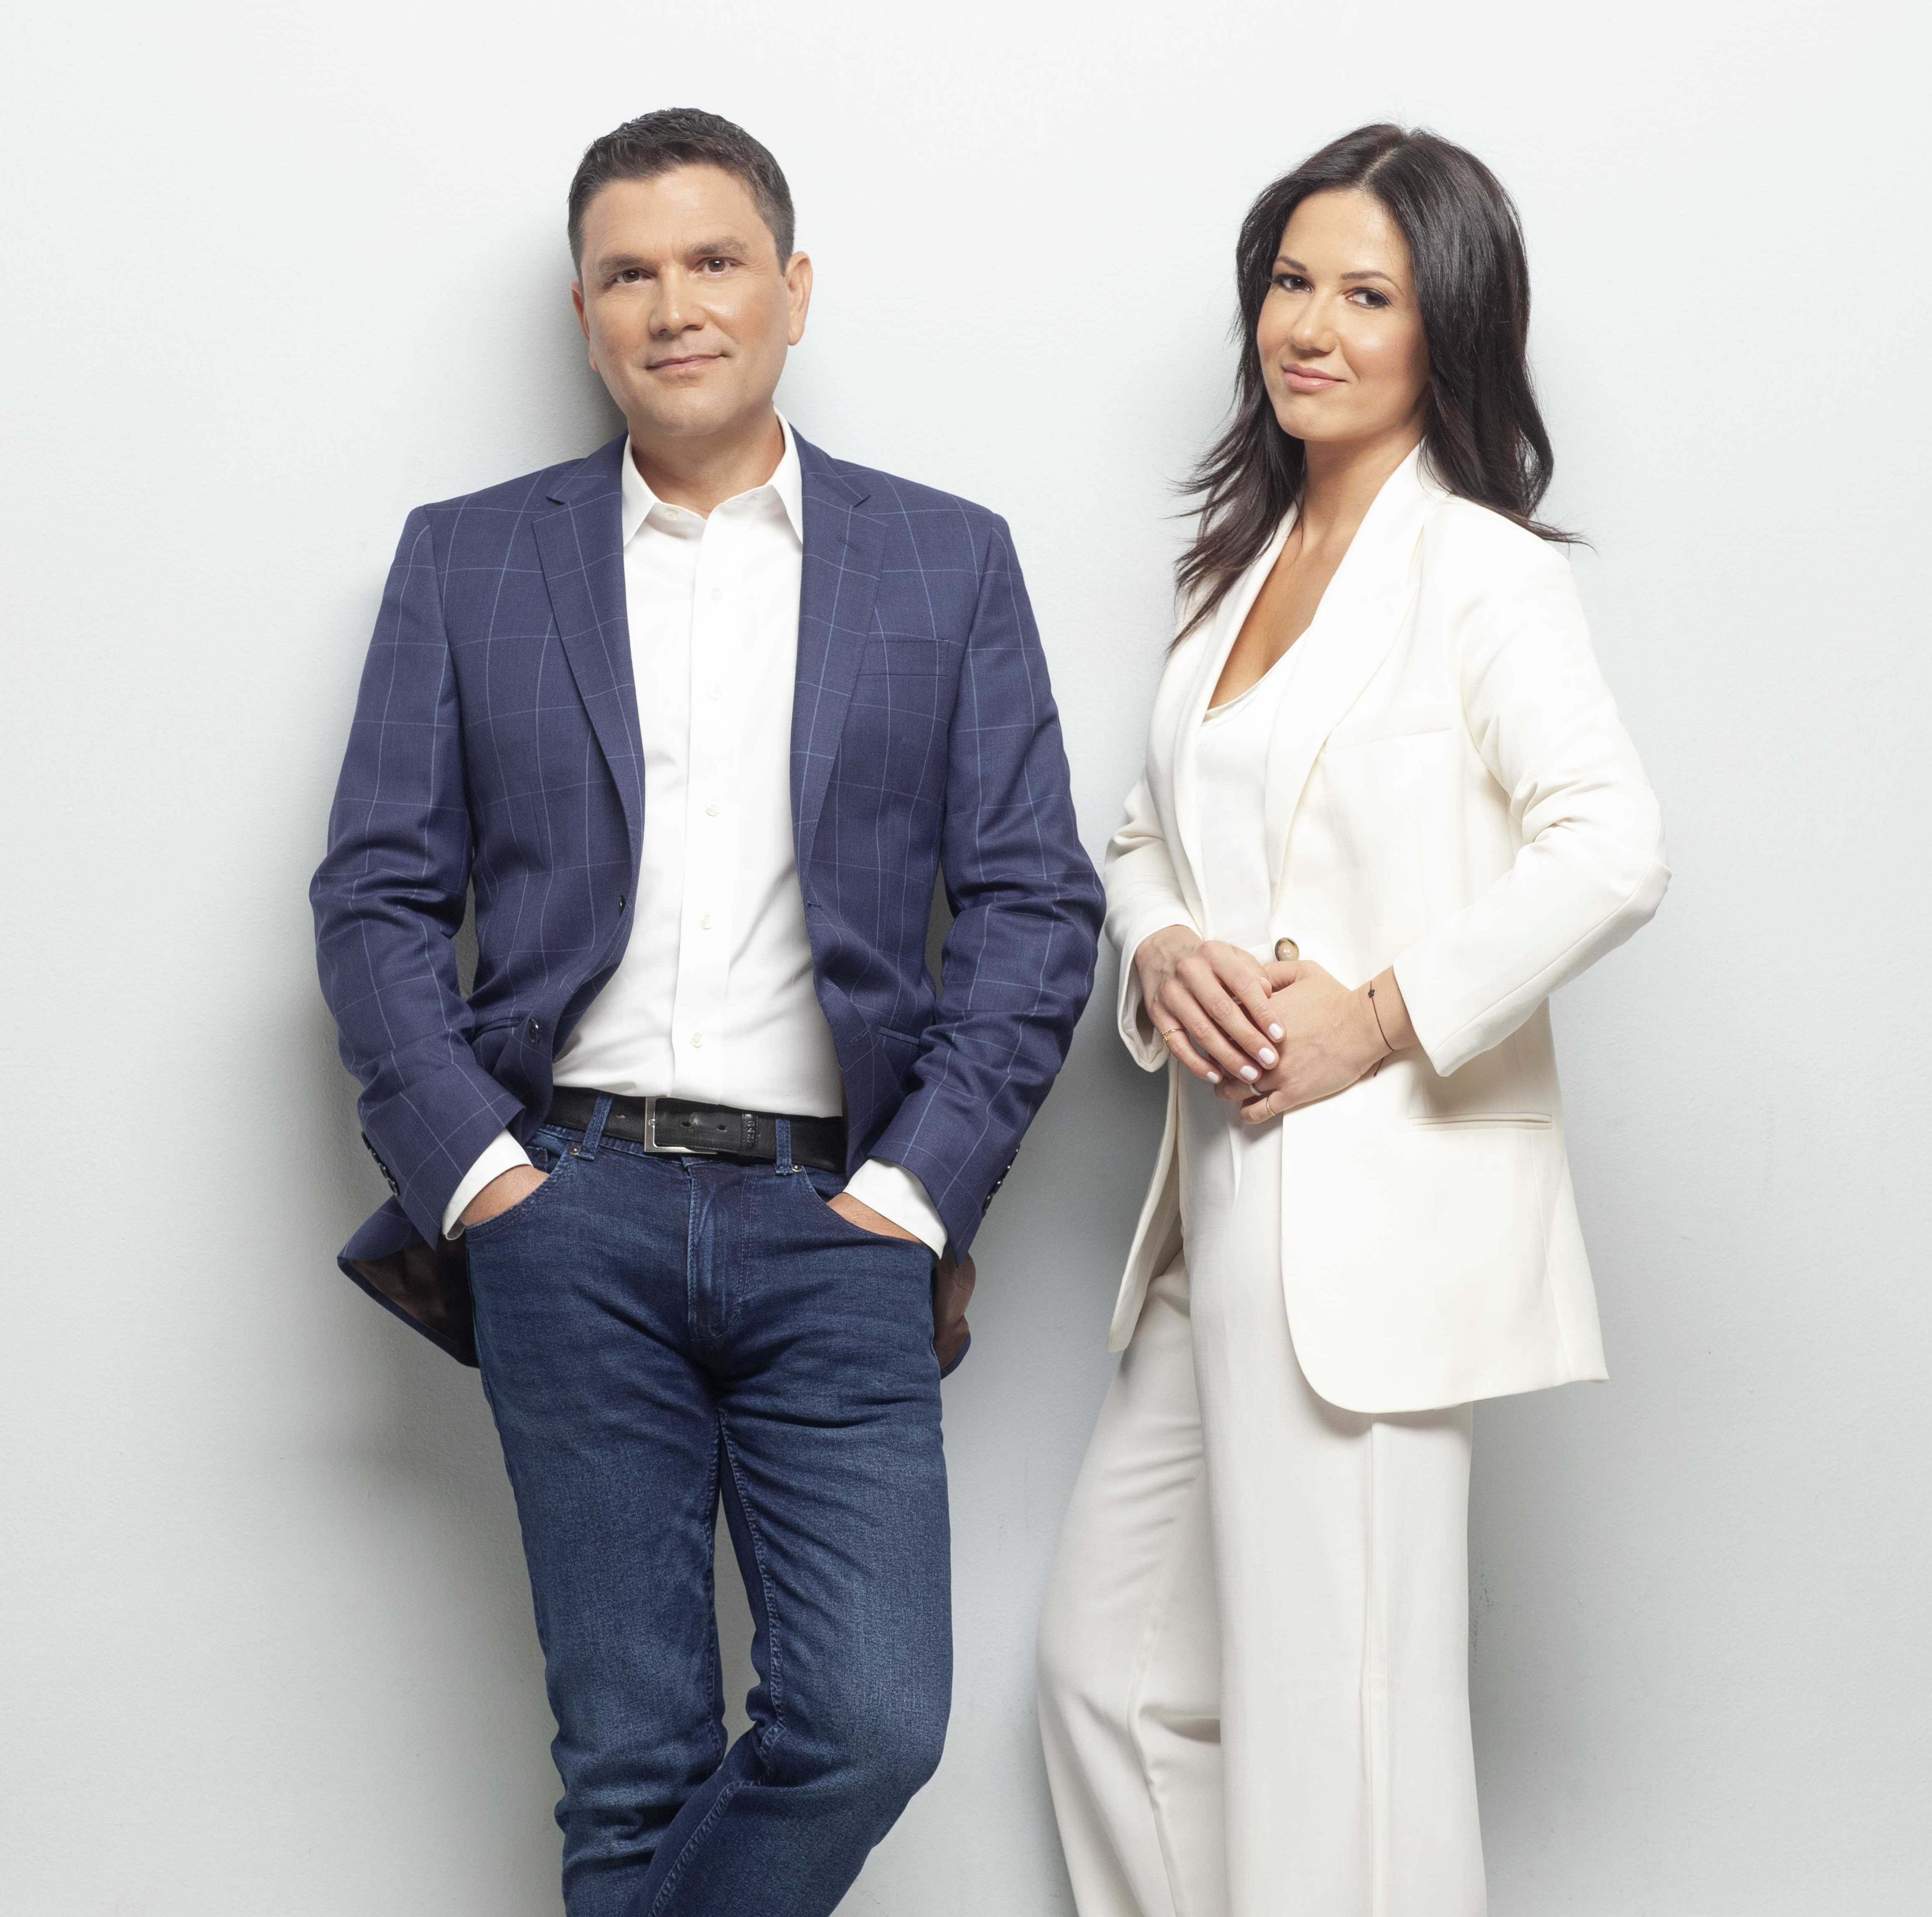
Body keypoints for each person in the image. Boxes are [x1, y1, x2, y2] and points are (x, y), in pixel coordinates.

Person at [311, 108, 1102, 1917]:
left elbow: (1034, 900)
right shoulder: (468, 559)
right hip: (563, 1210)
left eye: (715, 261)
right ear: (584, 312)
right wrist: (482, 1177)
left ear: (793, 289)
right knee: (631, 1761)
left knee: (869, 1722)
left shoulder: (945, 561)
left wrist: (914, 1191)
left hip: (840, 1219)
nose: (675, 305)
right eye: (629, 273)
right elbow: (373, 896)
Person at [1035, 124, 1668, 1915]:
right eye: (1289, 283)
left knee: (1344, 1730)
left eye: (1366, 295)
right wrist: (1162, 950)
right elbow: (1148, 833)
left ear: (1444, 325)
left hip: (1372, 1224)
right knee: (1110, 1680)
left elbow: (1612, 845)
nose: (1309, 328)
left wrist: (1378, 1017)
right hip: (1210, 1207)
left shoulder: (1481, 573)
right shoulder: (1232, 569)